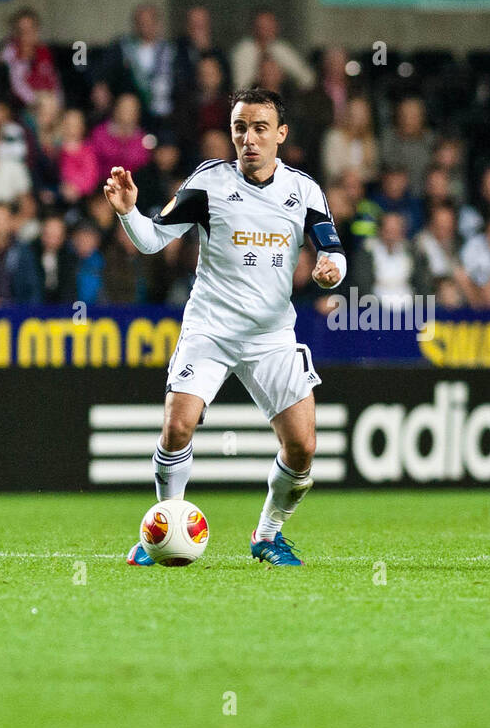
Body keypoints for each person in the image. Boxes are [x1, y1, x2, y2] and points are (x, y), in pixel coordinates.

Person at [106, 87, 346, 568]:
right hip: (210, 328)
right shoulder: (209, 183)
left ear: (281, 134)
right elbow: (154, 241)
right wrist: (129, 212)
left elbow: (333, 249)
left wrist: (330, 269)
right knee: (177, 426)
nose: (249, 139)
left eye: (260, 128)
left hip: (272, 337)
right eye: (240, 128)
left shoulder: (304, 190)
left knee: (302, 447)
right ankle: (164, 524)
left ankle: (267, 535)